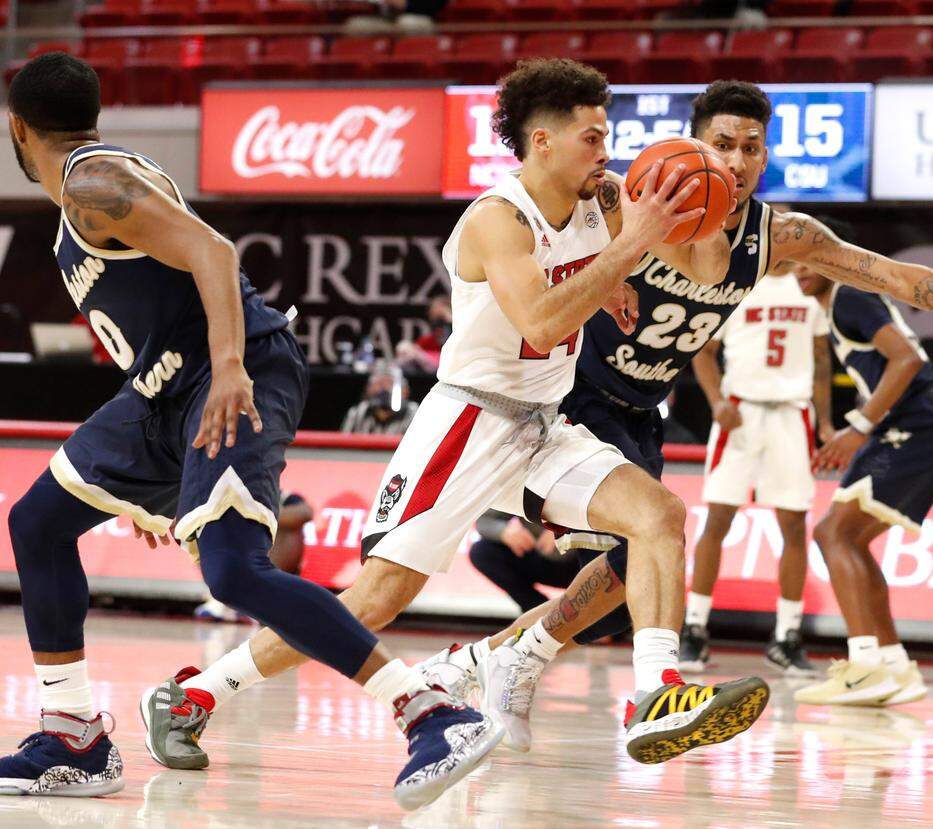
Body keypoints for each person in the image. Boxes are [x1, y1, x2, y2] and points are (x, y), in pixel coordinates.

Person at [143, 59, 772, 769]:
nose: (607, 152)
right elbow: (538, 322)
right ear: (542, 142)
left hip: (543, 420)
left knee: (658, 515)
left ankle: (656, 693)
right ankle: (193, 692)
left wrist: (704, 188)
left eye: (607, 136)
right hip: (469, 422)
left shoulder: (606, 199)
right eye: (593, 138)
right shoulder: (496, 220)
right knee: (377, 598)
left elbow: (708, 271)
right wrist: (625, 253)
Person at [412, 78, 933, 752]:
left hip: (641, 409)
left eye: (752, 147)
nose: (738, 160)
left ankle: (500, 657)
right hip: (570, 395)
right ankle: (649, 691)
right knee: (647, 536)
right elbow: (535, 206)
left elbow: (885, 274)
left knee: (624, 587)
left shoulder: (779, 235)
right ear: (695, 144)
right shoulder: (625, 194)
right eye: (723, 144)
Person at [0, 53, 500, 810]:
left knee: (233, 572)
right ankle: (74, 732)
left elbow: (215, 251)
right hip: (162, 389)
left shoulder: (90, 182)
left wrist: (230, 367)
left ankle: (433, 710)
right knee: (38, 520)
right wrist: (152, 479)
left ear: (17, 128)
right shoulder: (90, 188)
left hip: (231, 370)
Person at [789, 264, 933, 706]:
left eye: (807, 259)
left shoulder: (851, 295)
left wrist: (859, 427)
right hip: (916, 422)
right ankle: (893, 665)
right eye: (790, 261)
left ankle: (865, 664)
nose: (798, 270)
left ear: (831, 258)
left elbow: (906, 359)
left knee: (833, 533)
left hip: (920, 421)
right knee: (847, 538)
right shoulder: (835, 307)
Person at [681, 262, 832, 675]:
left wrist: (827, 422)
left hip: (792, 414)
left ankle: (787, 635)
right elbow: (703, 353)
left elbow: (821, 360)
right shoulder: (736, 283)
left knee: (794, 525)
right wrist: (716, 402)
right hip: (741, 412)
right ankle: (694, 628)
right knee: (717, 520)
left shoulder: (809, 285)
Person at [194, 490, 313, 622]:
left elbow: (306, 513)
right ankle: (223, 596)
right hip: (236, 566)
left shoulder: (287, 499)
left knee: (283, 524)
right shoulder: (227, 491)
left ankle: (258, 599)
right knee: (212, 525)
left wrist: (257, 514)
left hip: (271, 569)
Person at [469, 510, 579, 614]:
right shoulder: (519, 490)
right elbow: (484, 520)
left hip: (586, 556)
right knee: (482, 552)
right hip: (545, 557)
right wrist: (504, 531)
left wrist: (567, 529)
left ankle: (590, 621)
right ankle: (541, 614)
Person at [340, 361, 418, 435]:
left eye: (390, 383)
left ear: (405, 391)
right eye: (379, 384)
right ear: (368, 389)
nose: (384, 388)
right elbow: (342, 442)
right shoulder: (358, 412)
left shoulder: (414, 413)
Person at [395, 293, 451, 375]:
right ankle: (391, 369)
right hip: (432, 360)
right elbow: (425, 344)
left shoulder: (455, 325)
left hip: (448, 361)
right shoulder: (435, 330)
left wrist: (447, 315)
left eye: (439, 308)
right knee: (404, 346)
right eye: (434, 309)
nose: (436, 311)